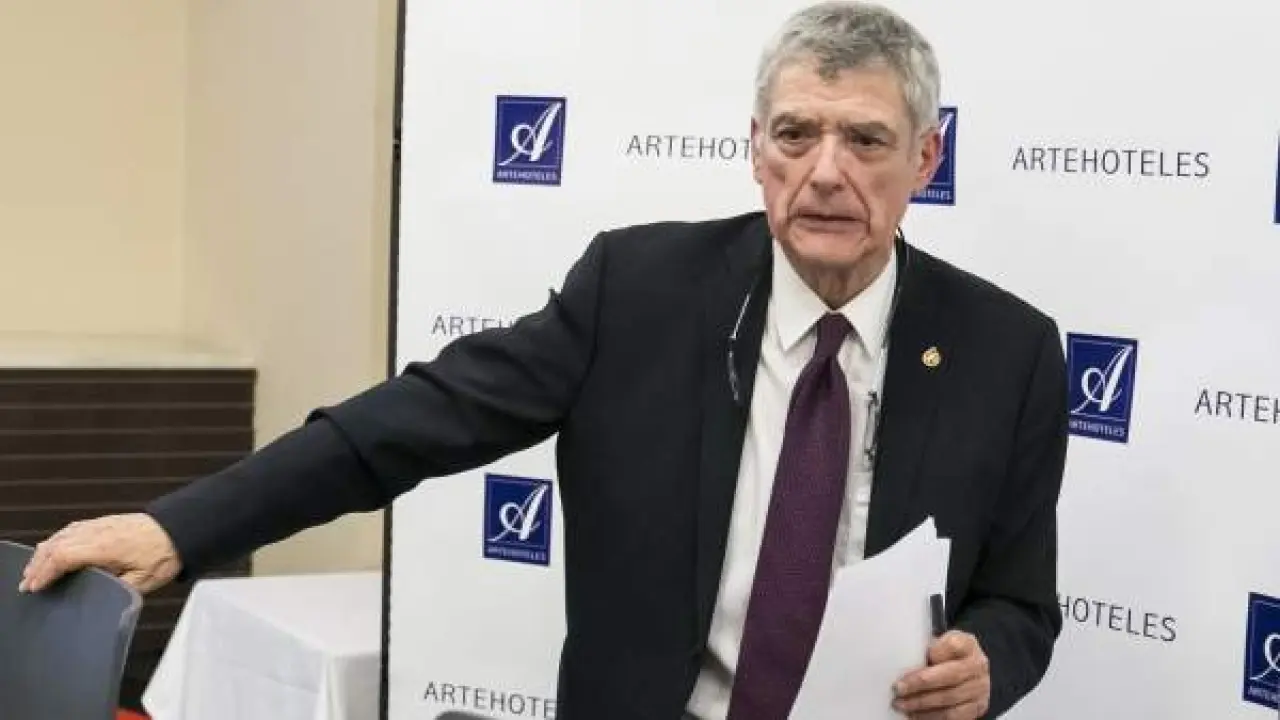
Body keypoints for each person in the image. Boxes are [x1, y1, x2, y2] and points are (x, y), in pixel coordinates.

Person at [19, 2, 1067, 718]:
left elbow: (1020, 606)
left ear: (926, 156)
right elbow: (406, 424)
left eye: (865, 140)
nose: (825, 172)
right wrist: (180, 527)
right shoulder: (639, 293)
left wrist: (988, 666)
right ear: (755, 148)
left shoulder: (1008, 352)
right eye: (796, 135)